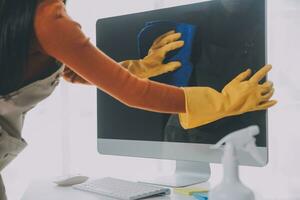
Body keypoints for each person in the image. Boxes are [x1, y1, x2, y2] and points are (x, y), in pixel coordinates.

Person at [0, 0, 276, 199]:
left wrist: (144, 66)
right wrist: (222, 101)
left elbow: (72, 71)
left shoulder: (20, 13)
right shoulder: (47, 16)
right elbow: (131, 92)